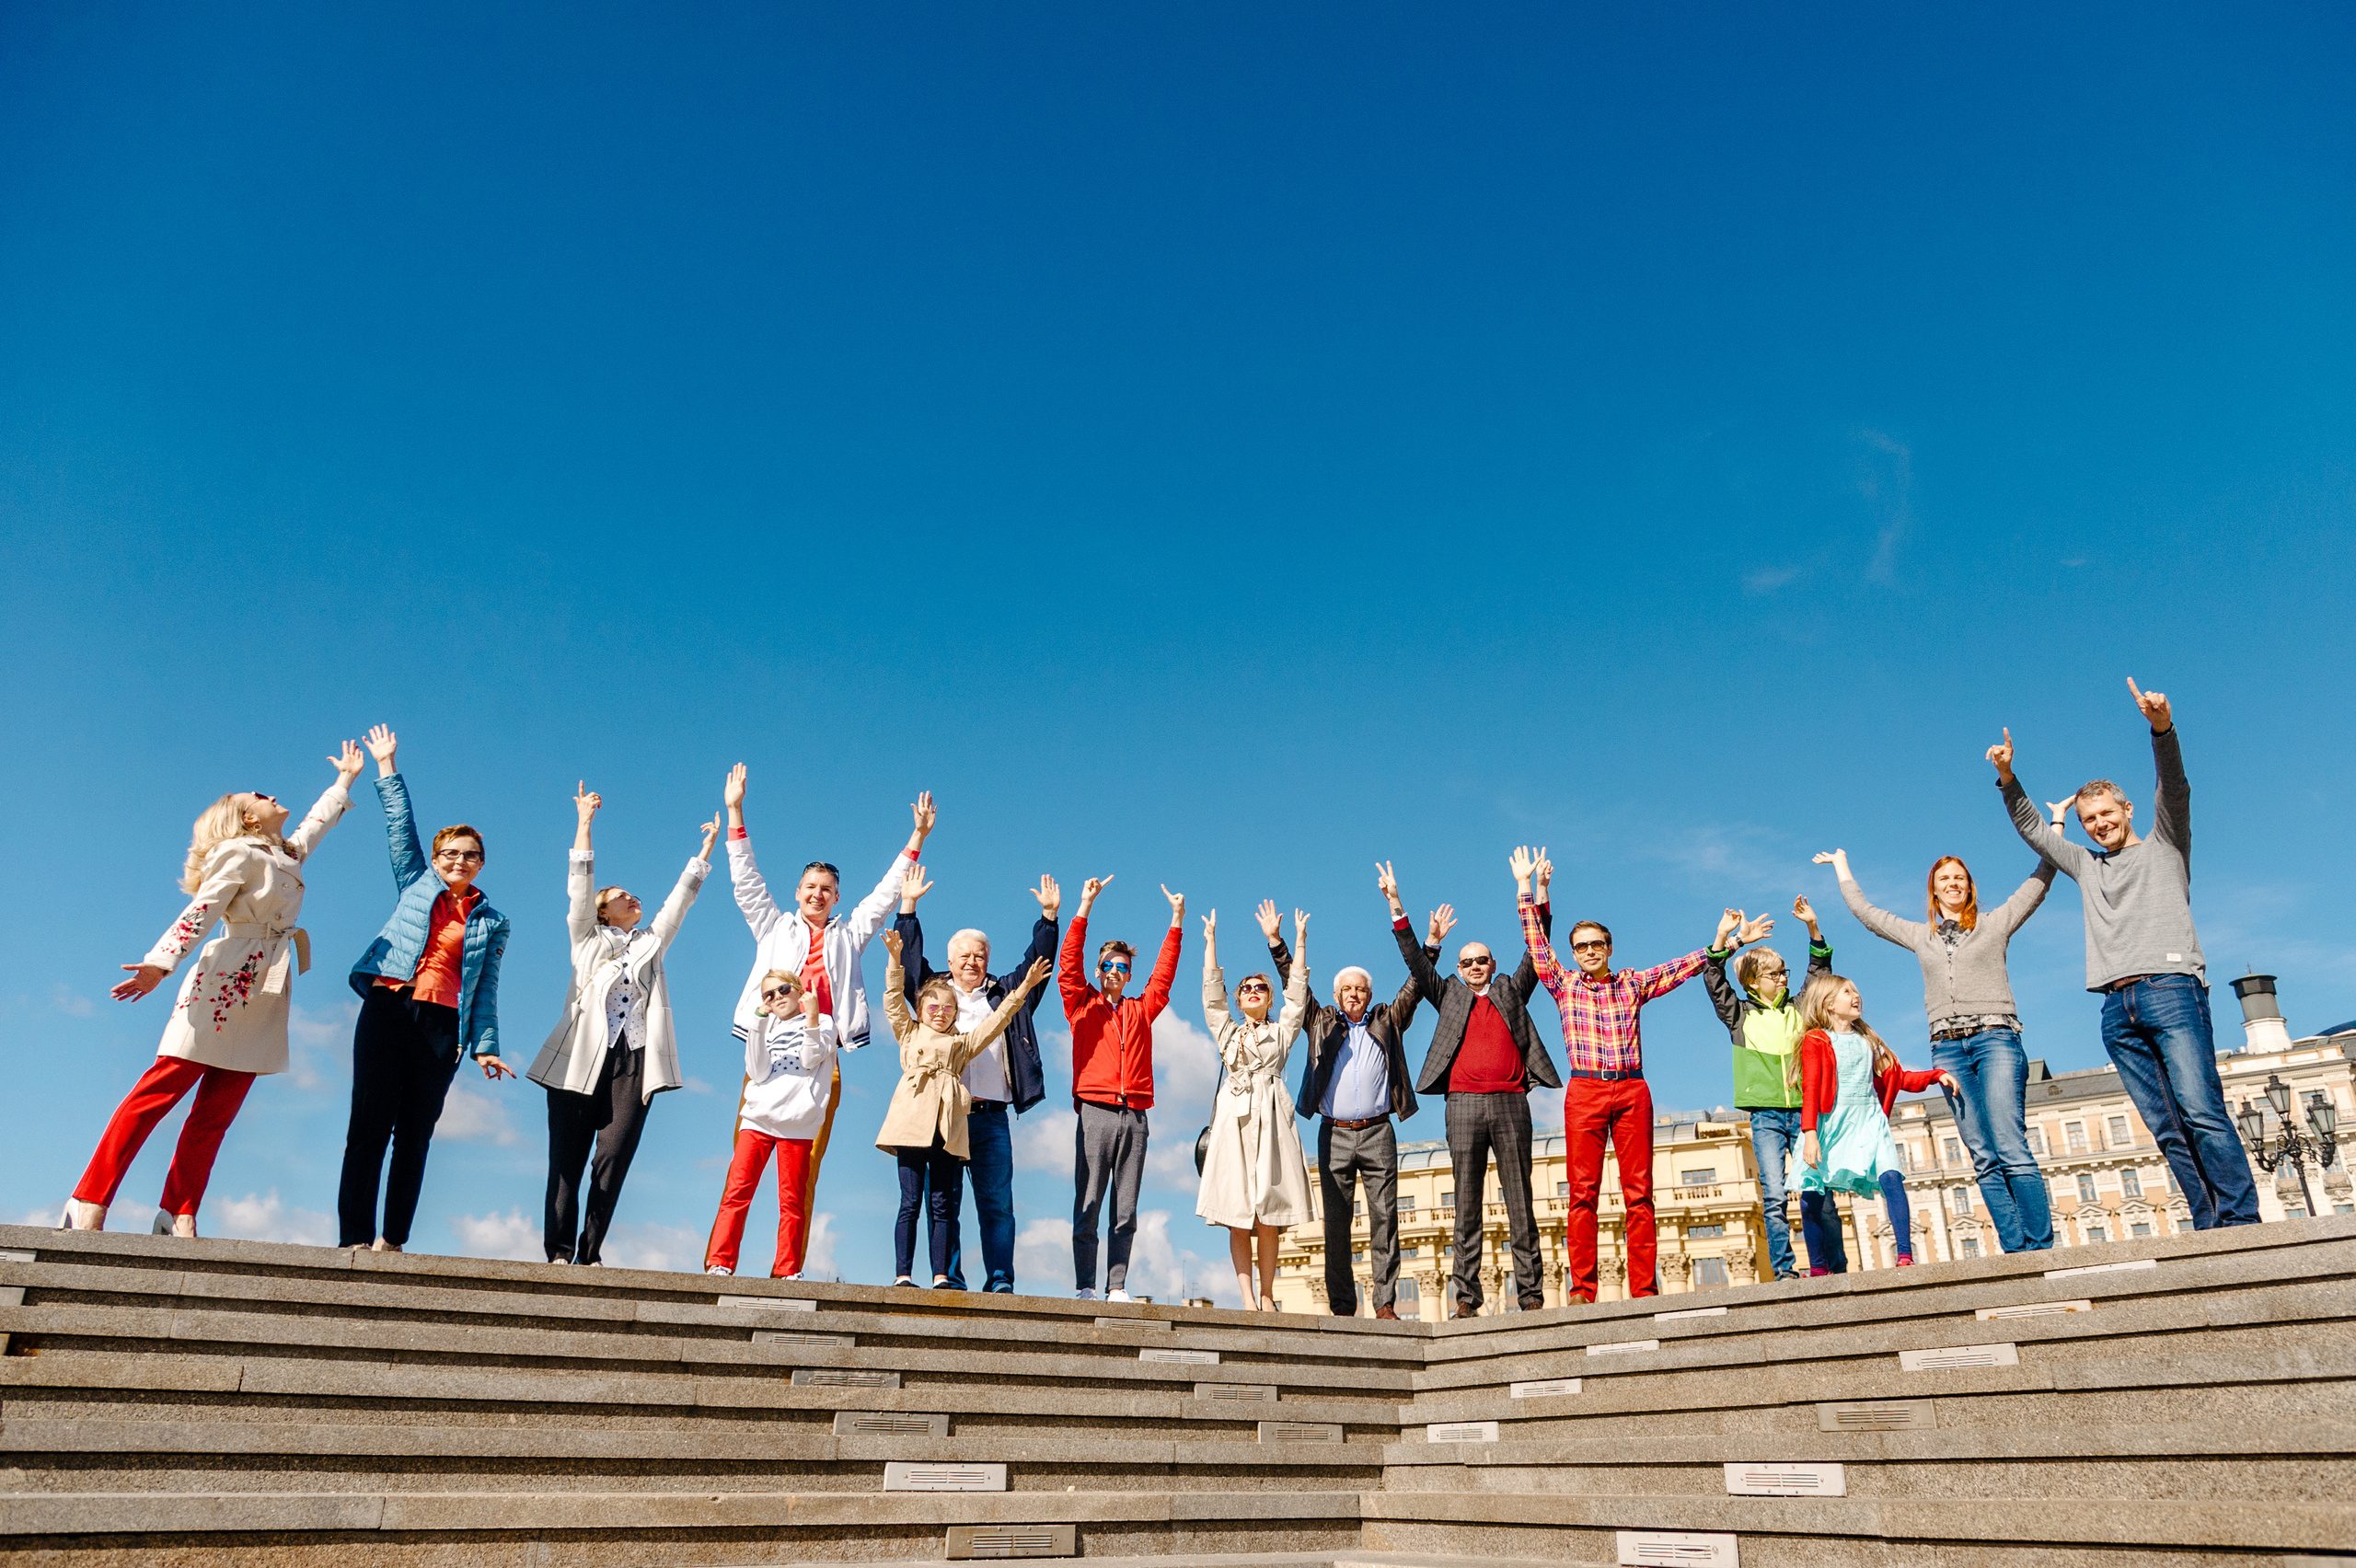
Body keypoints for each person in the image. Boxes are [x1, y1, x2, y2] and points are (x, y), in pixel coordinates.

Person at [1990, 679, 2262, 1229]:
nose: (2099, 825)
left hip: (2172, 990)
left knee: (2201, 1110)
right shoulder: (2087, 865)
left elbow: (2176, 788)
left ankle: (2241, 1221)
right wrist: (2008, 778)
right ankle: (2209, 1223)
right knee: (2166, 1126)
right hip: (2116, 1008)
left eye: (2107, 814)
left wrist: (2161, 729)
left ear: (2127, 808)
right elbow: (2034, 832)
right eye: (2090, 819)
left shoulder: (2166, 844)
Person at [69, 741, 368, 1235]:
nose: (268, 794)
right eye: (257, 795)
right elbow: (202, 910)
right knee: (156, 1095)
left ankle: (179, 1211)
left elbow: (316, 825)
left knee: (216, 1114)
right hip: (225, 977)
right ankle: (89, 1200)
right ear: (246, 820)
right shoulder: (237, 852)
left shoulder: (285, 854)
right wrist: (158, 964)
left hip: (270, 986)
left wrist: (344, 781)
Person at [1816, 845, 2059, 1253]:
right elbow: (1868, 913)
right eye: (1944, 878)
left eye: (1959, 878)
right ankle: (2017, 1251)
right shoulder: (1921, 936)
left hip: (1995, 1038)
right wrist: (1842, 867)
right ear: (1934, 890)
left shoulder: (1995, 923)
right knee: (1982, 1153)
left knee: (2010, 1143)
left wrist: (2053, 832)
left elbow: (2037, 885)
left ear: (1970, 887)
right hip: (1947, 1049)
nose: (1952, 884)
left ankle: (2041, 1246)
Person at [724, 766, 933, 1228]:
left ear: (837, 898)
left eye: (827, 890)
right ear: (797, 893)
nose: (818, 895)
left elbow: (882, 898)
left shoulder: (849, 935)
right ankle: (720, 1264)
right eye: (810, 888)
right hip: (770, 1052)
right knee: (742, 1173)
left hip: (821, 1058)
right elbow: (746, 880)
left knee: (802, 1174)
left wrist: (916, 838)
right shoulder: (774, 926)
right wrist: (735, 810)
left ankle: (788, 1270)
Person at [1514, 846, 1716, 1307]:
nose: (1588, 952)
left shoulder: (1630, 982)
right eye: (1580, 946)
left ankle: (1644, 1290)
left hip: (1631, 1087)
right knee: (1582, 1193)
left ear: (1609, 948)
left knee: (1639, 1193)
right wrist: (1525, 887)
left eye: (1596, 945)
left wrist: (1723, 942)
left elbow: (1678, 969)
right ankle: (1583, 1292)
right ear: (1573, 953)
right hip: (1585, 1088)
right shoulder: (1562, 984)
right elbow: (1534, 943)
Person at [525, 783, 719, 1266]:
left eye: (635, 896)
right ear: (602, 910)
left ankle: (590, 1252)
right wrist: (584, 824)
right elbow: (578, 887)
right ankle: (559, 1251)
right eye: (621, 896)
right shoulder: (586, 939)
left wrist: (704, 852)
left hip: (632, 1062)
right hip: (577, 1062)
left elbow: (678, 905)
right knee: (567, 1160)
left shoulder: (651, 944)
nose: (633, 899)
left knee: (612, 1160)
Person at [341, 725, 514, 1253]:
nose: (457, 861)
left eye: (468, 855)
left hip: (442, 1026)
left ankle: (392, 1241)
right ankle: (354, 1238)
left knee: (415, 1134)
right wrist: (387, 766)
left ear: (481, 863)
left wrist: (485, 1044)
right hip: (389, 1006)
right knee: (368, 1124)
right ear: (436, 860)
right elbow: (399, 827)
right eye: (449, 854)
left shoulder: (494, 921)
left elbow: (484, 988)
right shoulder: (417, 882)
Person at [1392, 857, 1558, 1318]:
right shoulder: (1447, 993)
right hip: (1462, 1106)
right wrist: (1398, 908)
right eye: (1467, 962)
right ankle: (1467, 1299)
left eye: (1482, 960)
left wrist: (1534, 889)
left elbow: (1537, 951)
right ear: (1460, 968)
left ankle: (1531, 1296)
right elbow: (1414, 963)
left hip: (1510, 1104)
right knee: (1466, 1203)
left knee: (1519, 1200)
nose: (1475, 967)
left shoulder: (1510, 990)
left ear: (1493, 964)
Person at [893, 866, 1062, 1293]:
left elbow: (1034, 967)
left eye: (980, 955)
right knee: (942, 1203)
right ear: (950, 961)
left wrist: (1048, 920)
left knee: (997, 1205)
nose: (972, 961)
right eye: (964, 955)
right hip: (941, 1114)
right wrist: (908, 908)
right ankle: (947, 1277)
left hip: (990, 1116)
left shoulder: (1005, 993)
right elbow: (909, 963)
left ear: (988, 959)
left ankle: (1000, 1280)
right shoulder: (933, 991)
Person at [1270, 888, 1435, 1320]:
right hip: (1334, 1133)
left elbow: (1416, 986)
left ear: (1369, 994)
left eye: (1360, 989)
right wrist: (1279, 945)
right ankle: (1343, 1306)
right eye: (1346, 989)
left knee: (1385, 1219)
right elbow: (1295, 987)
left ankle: (1384, 1304)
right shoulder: (1321, 1021)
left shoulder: (1387, 1019)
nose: (1354, 995)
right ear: (1337, 994)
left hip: (1379, 1130)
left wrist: (1431, 944)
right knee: (1336, 1226)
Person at [1058, 875, 1184, 1302]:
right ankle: (1086, 1285)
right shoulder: (1080, 1004)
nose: (1115, 972)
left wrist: (1176, 921)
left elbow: (1163, 978)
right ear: (1099, 970)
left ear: (1130, 974)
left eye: (1123, 967)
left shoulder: (1140, 1010)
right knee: (1089, 1201)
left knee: (1125, 1208)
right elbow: (1068, 964)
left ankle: (1116, 1285)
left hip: (1136, 1115)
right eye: (1108, 965)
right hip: (1095, 1111)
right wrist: (1084, 907)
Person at [1701, 897, 1831, 1281]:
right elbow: (1713, 977)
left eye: (1783, 972)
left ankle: (1829, 1266)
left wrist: (1813, 929)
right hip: (1765, 1115)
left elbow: (1820, 973)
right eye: (1775, 974)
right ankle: (1785, 1272)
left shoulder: (1801, 1008)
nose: (1783, 979)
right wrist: (1725, 937)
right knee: (1774, 1196)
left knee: (1818, 1193)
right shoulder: (1739, 1014)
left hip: (1805, 1114)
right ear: (1754, 982)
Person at [1796, 974, 1958, 1272]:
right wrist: (1809, 1133)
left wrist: (1935, 1076)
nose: (1856, 996)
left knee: (1892, 1178)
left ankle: (1905, 1255)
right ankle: (1818, 1267)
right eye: (1847, 992)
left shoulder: (1868, 1040)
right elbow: (1810, 1087)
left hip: (1870, 1120)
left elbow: (1898, 1078)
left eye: (1856, 991)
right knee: (1812, 1196)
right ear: (1828, 1004)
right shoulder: (1816, 1040)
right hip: (1831, 1122)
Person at [1195, 906, 1313, 1311]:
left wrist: (1295, 940)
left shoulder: (1281, 1034)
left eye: (1259, 989)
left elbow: (1297, 995)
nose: (1250, 992)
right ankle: (1247, 1297)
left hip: (1272, 1116)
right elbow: (1212, 996)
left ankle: (1267, 1294)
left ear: (1268, 998)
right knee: (1237, 1211)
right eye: (1245, 988)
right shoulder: (1227, 1032)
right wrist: (1210, 941)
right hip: (1234, 1119)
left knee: (1269, 1212)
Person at [706, 970, 835, 1276]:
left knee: (792, 1201)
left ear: (799, 990)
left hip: (797, 1124)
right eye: (768, 994)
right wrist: (758, 1023)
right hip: (757, 1120)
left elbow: (809, 1058)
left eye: (783, 989)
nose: (777, 997)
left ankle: (786, 1269)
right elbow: (757, 1070)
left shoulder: (824, 1022)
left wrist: (813, 1018)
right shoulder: (764, 1026)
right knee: (737, 1192)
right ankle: (720, 1262)